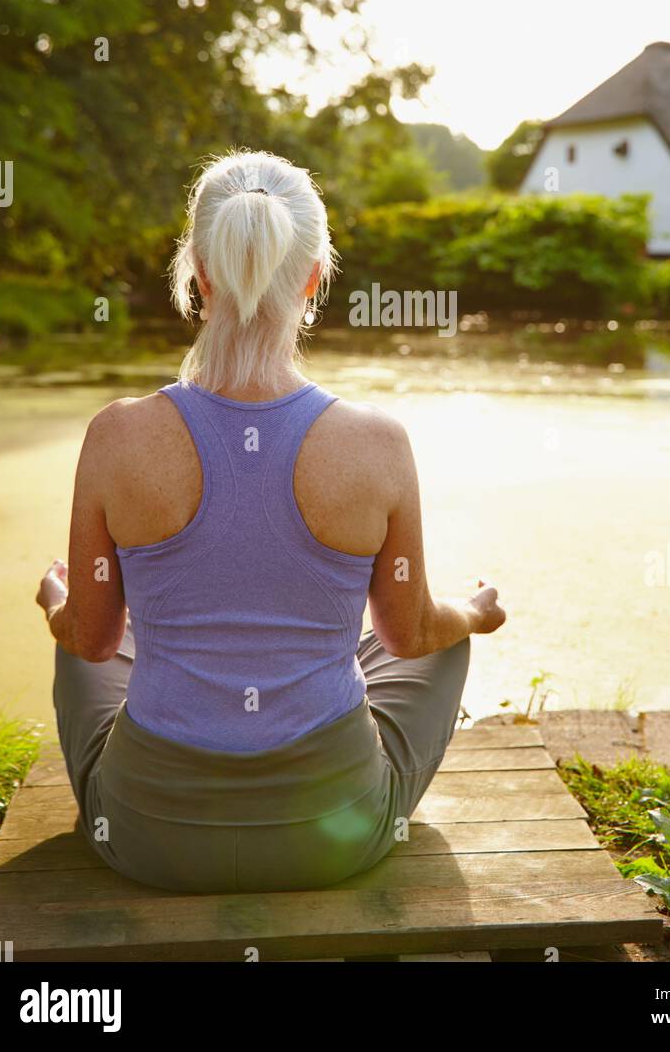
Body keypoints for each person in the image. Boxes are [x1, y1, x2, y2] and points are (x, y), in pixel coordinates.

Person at [37, 149, 505, 893]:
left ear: (197, 269)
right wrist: (474, 615)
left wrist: (58, 602)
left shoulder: (117, 435)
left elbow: (91, 640)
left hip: (150, 840)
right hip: (331, 836)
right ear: (316, 276)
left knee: (90, 636)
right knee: (437, 640)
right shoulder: (378, 442)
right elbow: (407, 634)